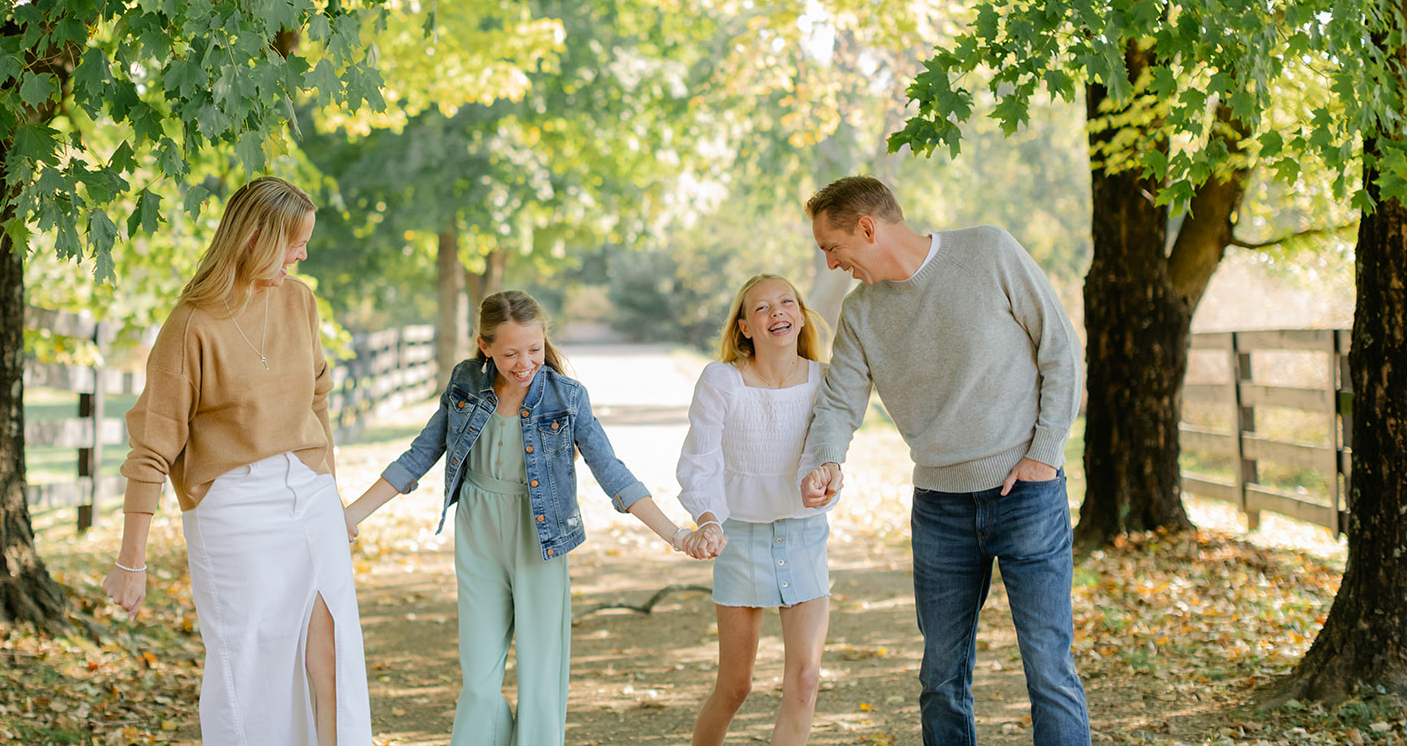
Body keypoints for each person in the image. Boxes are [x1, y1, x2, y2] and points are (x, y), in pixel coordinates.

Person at [345, 289, 711, 746]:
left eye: (534, 350)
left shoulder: (567, 397)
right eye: (510, 353)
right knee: (479, 678)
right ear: (485, 347)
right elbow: (420, 454)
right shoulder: (465, 383)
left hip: (541, 535)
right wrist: (351, 515)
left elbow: (612, 472)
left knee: (540, 676)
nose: (524, 363)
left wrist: (677, 535)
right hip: (478, 530)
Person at [798, 176, 1090, 746]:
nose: (832, 264)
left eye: (833, 247)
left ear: (867, 227)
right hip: (940, 510)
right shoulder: (861, 313)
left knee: (1048, 670)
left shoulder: (988, 251)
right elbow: (839, 399)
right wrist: (827, 458)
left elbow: (1060, 348)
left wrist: (1044, 456)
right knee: (940, 679)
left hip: (1026, 493)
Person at [102, 177, 369, 746]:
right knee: (248, 662)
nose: (302, 255)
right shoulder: (191, 326)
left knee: (331, 653)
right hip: (234, 508)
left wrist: (329, 484)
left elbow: (318, 395)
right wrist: (131, 561)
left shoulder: (299, 301)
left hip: (310, 494)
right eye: (294, 243)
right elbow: (153, 446)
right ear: (254, 237)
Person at [676, 273, 834, 746]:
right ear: (744, 326)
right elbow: (699, 461)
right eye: (761, 308)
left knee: (805, 680)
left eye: (787, 302)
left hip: (804, 535)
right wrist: (707, 519)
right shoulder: (721, 380)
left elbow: (829, 451)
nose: (777, 313)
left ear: (801, 315)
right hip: (738, 537)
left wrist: (828, 479)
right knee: (736, 686)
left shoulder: (825, 381)